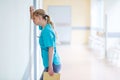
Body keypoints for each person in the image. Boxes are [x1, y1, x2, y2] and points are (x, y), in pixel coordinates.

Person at [29, 6, 61, 80]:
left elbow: (51, 49)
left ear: (40, 17)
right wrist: (31, 13)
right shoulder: (44, 26)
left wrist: (50, 67)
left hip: (52, 65)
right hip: (52, 64)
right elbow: (35, 21)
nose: (33, 20)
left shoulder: (46, 31)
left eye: (34, 18)